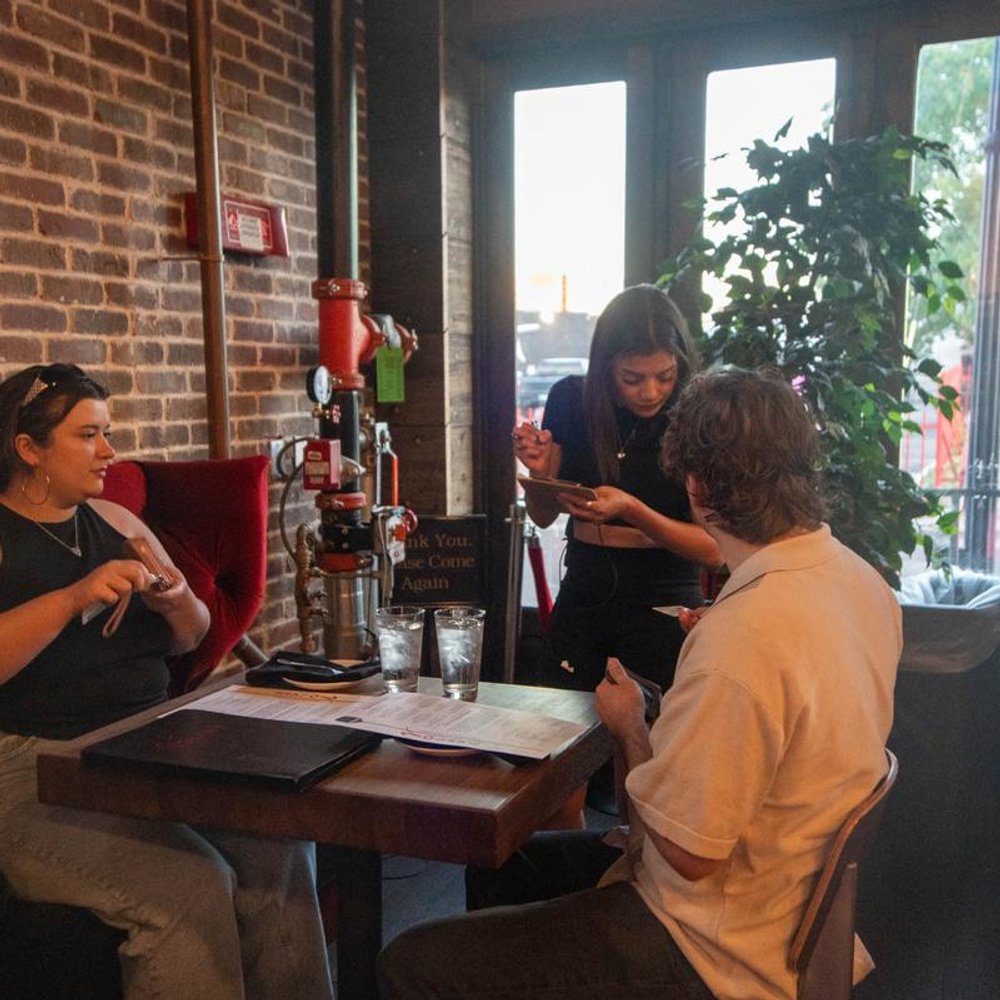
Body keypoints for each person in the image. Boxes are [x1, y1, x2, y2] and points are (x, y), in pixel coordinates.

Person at [378, 368, 901, 1000]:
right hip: (792, 903)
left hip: (716, 950)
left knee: (413, 961)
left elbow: (688, 854)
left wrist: (631, 726)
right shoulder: (859, 581)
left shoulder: (746, 637)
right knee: (506, 865)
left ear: (697, 484)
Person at [0, 363, 334, 1000]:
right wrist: (71, 599)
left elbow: (192, 636)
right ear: (29, 448)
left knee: (277, 849)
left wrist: (177, 598)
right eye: (88, 435)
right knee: (191, 884)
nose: (109, 451)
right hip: (29, 764)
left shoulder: (115, 521)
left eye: (107, 432)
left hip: (147, 745)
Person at [513, 284, 721, 694]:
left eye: (664, 376)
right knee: (563, 739)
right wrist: (538, 473)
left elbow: (713, 551)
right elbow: (542, 515)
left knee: (653, 744)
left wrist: (631, 508)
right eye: (632, 378)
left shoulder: (695, 415)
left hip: (665, 607)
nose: (650, 392)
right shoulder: (572, 399)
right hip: (583, 595)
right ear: (606, 366)